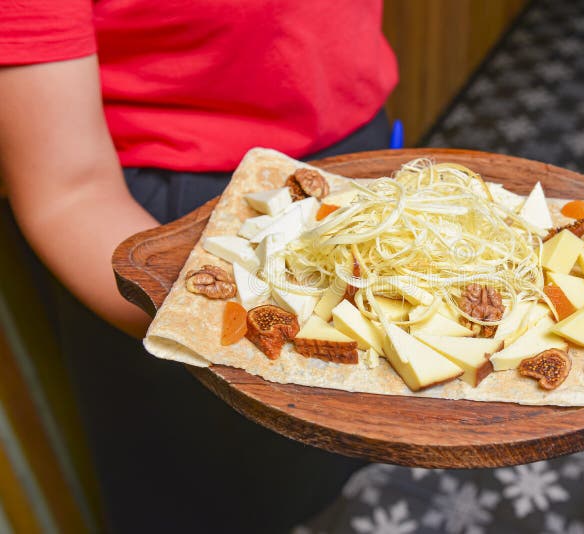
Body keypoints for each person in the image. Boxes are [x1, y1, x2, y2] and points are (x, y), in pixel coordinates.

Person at [0, 2, 398, 532]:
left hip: (354, 148)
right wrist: (217, 325)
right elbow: (69, 191)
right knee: (216, 492)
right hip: (174, 220)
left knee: (336, 446)